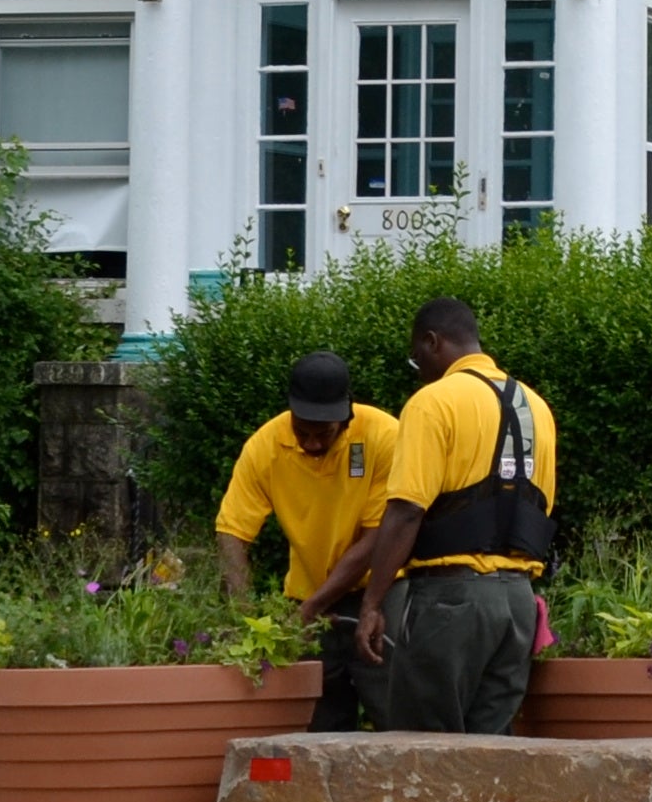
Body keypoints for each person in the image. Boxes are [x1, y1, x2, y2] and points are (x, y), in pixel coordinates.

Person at [325, 296, 557, 736]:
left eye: (417, 359)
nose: (420, 369)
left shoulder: (433, 402)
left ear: (432, 343)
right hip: (518, 605)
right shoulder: (537, 408)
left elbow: (407, 510)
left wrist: (373, 603)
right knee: (492, 753)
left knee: (426, 751)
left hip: (451, 603)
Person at [215, 352, 399, 731]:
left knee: (393, 717)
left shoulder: (383, 436)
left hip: (378, 598)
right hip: (309, 600)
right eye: (303, 432)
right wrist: (247, 617)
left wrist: (309, 610)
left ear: (346, 417)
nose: (312, 444)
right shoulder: (266, 445)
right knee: (319, 724)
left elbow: (379, 536)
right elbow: (232, 531)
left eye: (324, 434)